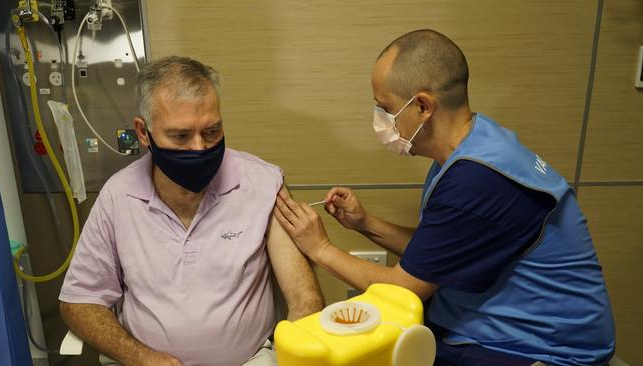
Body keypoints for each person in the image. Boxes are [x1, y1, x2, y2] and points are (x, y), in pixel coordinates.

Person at [274, 29, 615, 366]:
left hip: (544, 349)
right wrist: (364, 223)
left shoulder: (477, 179)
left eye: (385, 108)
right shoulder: (473, 144)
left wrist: (320, 248)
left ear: (423, 106)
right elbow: (436, 253)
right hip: (506, 329)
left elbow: (402, 288)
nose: (380, 120)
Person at [59, 56, 324, 366]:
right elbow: (79, 302)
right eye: (181, 136)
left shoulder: (264, 184)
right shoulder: (118, 197)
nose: (200, 148)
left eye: (212, 132)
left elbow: (305, 300)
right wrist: (141, 357)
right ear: (144, 132)